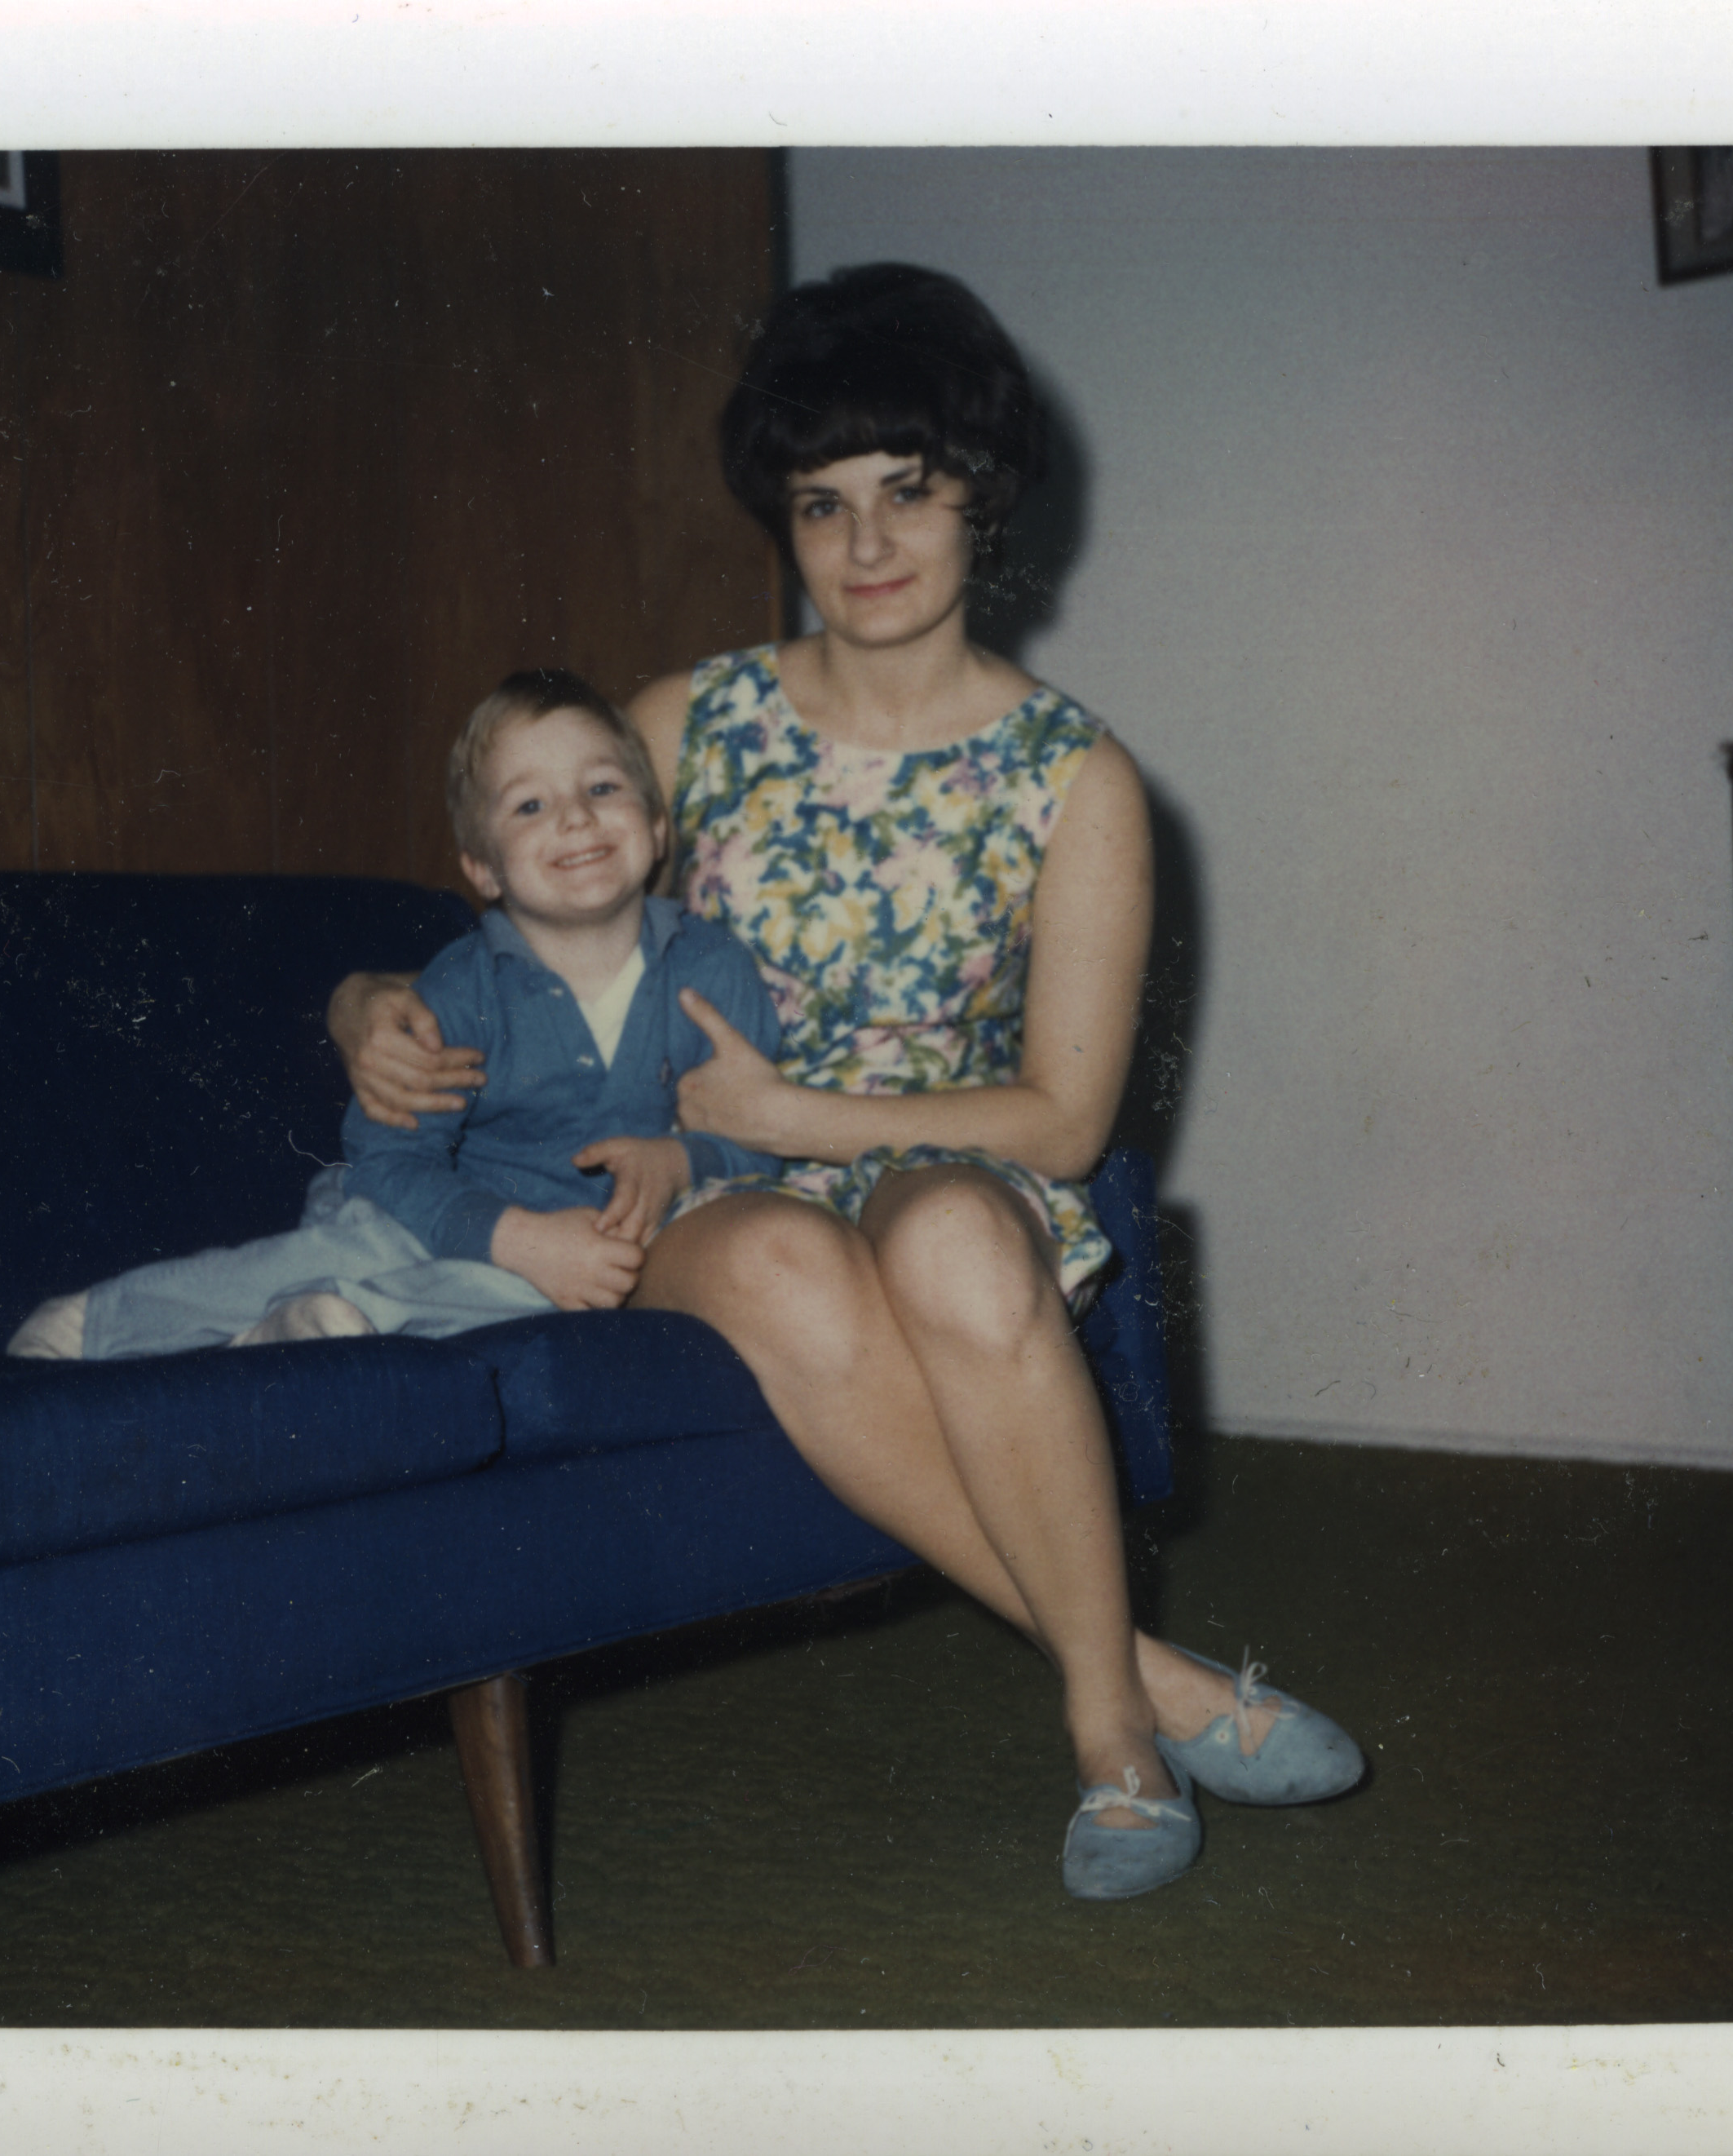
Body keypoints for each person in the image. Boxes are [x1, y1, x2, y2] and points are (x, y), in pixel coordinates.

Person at [330, 265, 1364, 1900]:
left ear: (981, 505)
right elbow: (504, 912)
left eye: (908, 493)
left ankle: (1105, 1719)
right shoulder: (687, 718)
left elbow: (1065, 1121)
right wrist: (360, 1003)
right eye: (823, 504)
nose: (866, 546)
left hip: (932, 1156)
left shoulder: (1075, 778)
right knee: (782, 1252)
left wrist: (806, 1120)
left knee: (951, 1238)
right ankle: (1137, 1698)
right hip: (691, 1182)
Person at [9, 670, 780, 1361]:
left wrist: (682, 1161)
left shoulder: (712, 968)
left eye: (603, 788)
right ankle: (103, 1323)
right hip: (430, 1212)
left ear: (656, 829)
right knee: (367, 1242)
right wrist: (514, 1237)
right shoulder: (463, 987)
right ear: (481, 867)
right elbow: (390, 1164)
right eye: (532, 804)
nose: (575, 818)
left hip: (573, 1267)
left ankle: (323, 1324)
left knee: (539, 1306)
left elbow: (758, 1145)